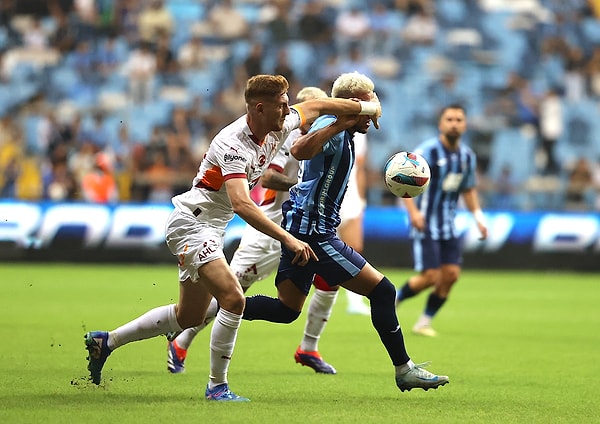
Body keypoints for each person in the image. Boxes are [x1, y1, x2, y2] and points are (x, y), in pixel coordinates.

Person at [83, 74, 382, 402]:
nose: (288, 110)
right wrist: (288, 239)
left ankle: (106, 341)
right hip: (192, 225)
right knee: (234, 298)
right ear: (259, 108)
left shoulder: (277, 124)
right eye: (282, 105)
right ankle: (217, 387)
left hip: (210, 226)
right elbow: (241, 203)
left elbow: (315, 105)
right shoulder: (233, 144)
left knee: (189, 316)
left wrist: (364, 106)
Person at [241, 71, 450, 393]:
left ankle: (212, 306)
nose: (371, 117)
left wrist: (359, 118)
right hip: (315, 235)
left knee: (285, 311)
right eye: (367, 109)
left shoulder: (347, 133)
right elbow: (299, 150)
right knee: (383, 292)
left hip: (302, 230)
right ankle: (404, 369)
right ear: (351, 105)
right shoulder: (332, 128)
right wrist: (341, 121)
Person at [395, 104, 488, 337]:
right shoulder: (427, 152)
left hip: (448, 224)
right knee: (431, 277)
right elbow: (404, 180)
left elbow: (468, 189)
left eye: (459, 119)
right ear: (440, 124)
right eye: (449, 119)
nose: (454, 123)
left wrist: (478, 216)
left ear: (465, 125)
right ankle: (392, 300)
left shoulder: (467, 156)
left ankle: (424, 322)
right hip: (425, 223)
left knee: (451, 275)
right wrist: (413, 213)